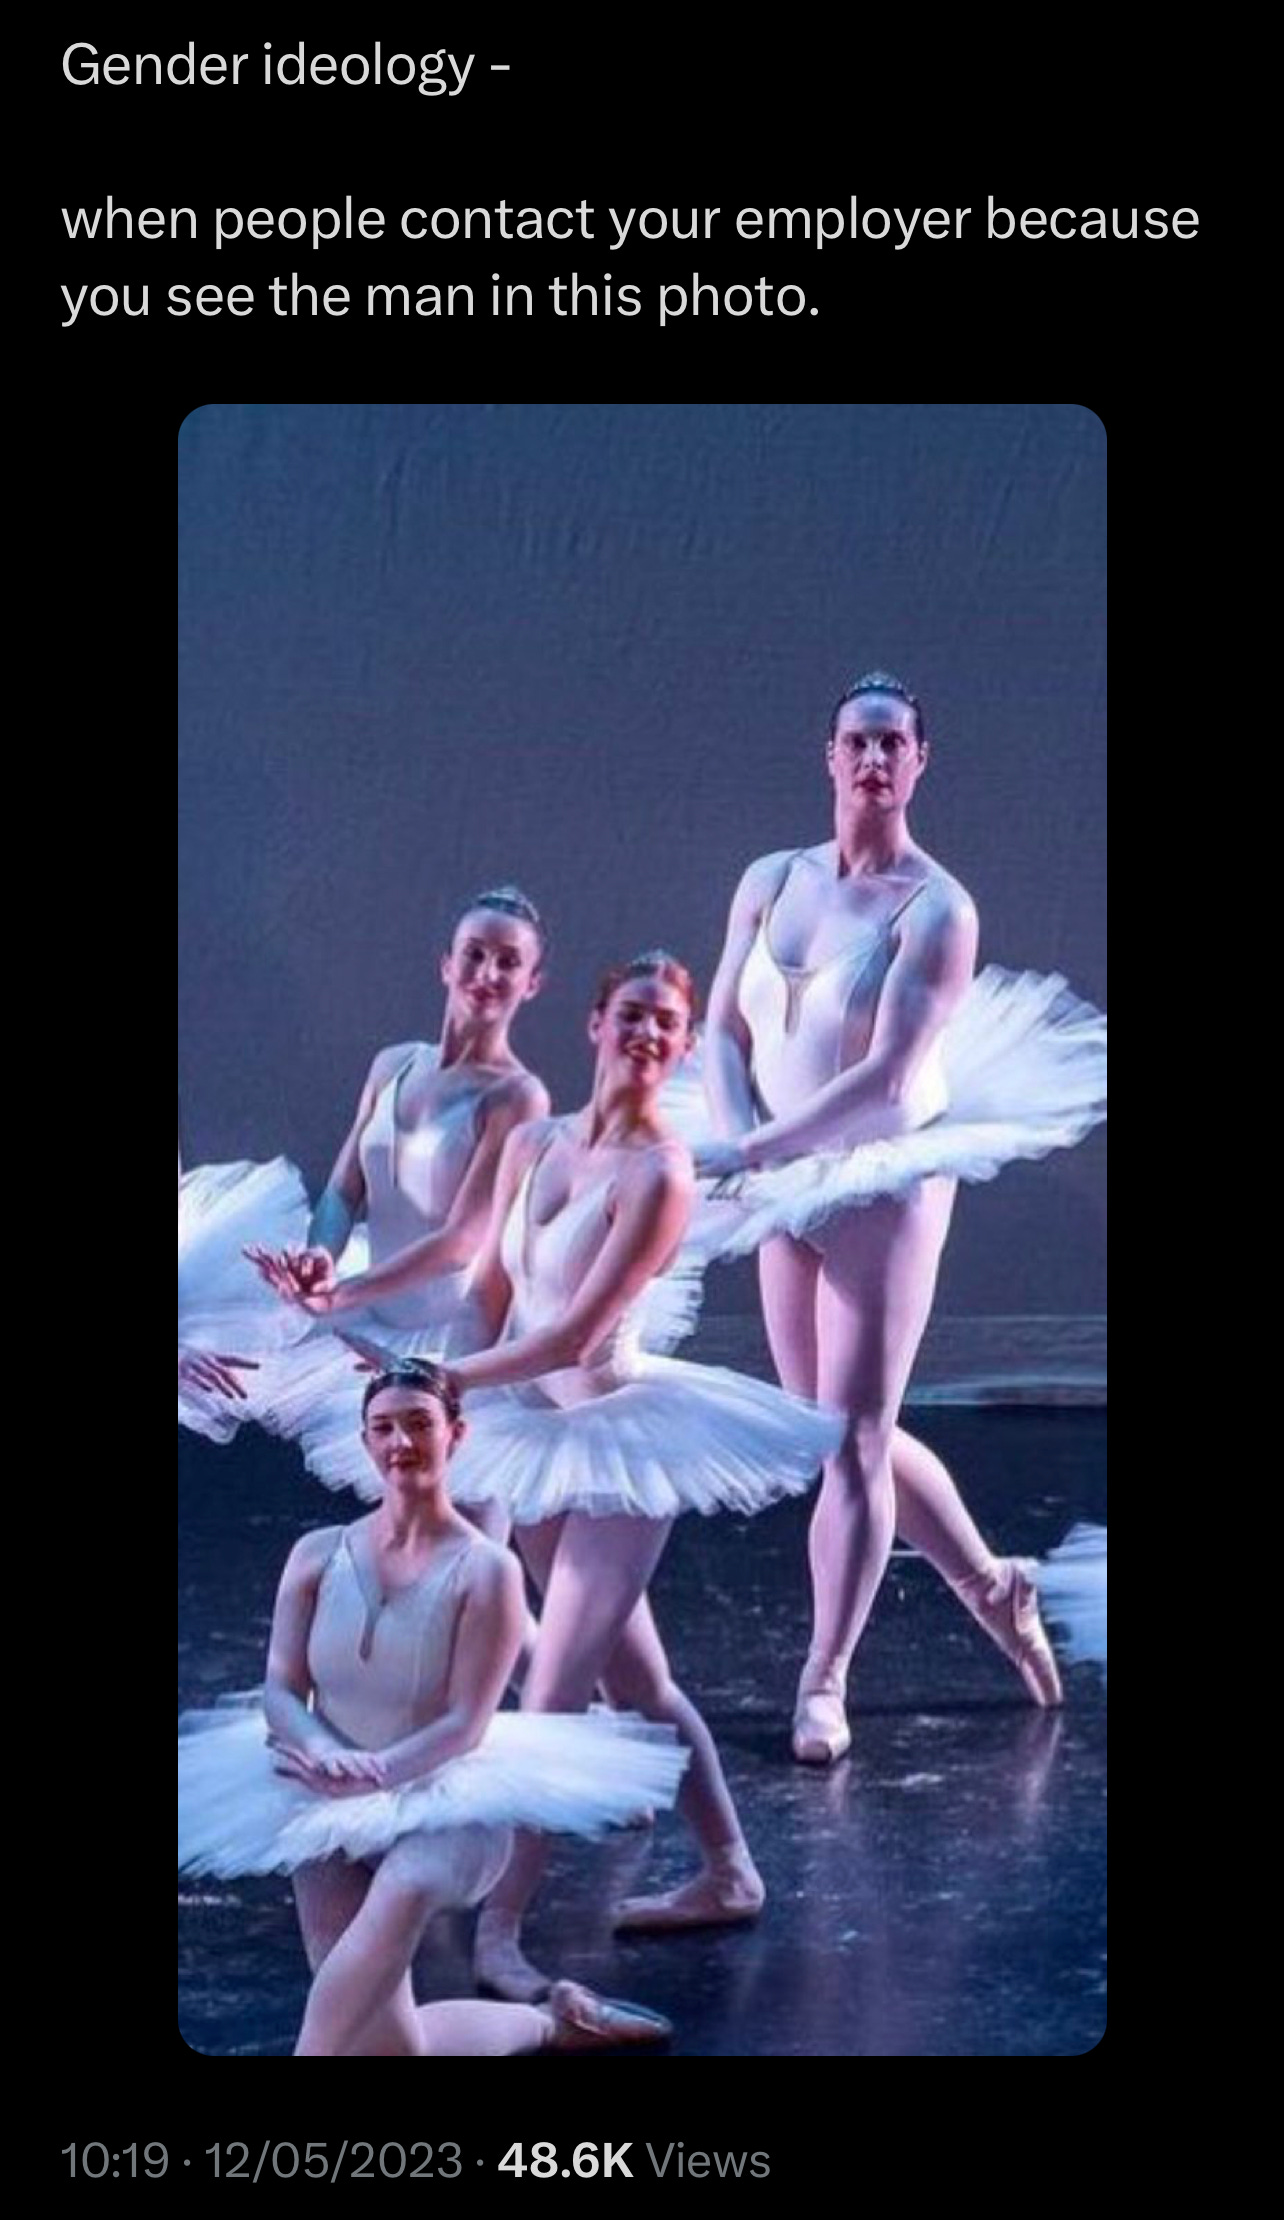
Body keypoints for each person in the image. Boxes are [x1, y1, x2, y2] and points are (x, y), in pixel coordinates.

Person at [385, 953, 843, 2002]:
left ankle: (503, 1930)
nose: (647, 1033)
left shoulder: (661, 1174)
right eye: (631, 1013)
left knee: (552, 1696)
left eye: (667, 1024)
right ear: (596, 1023)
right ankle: (731, 1870)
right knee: (639, 1684)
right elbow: (491, 1293)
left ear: (681, 1049)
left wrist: (447, 1381)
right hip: (538, 1431)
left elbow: (576, 1334)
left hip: (626, 1446)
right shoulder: (534, 1142)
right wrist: (438, 1385)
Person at [698, 672, 1105, 1763]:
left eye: (893, 744)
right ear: (828, 756)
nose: (873, 759)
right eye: (857, 742)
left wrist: (758, 1152)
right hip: (782, 1171)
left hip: (883, 1176)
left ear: (920, 761)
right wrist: (743, 1144)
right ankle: (992, 1585)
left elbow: (886, 1078)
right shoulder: (769, 879)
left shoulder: (938, 908)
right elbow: (723, 1029)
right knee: (824, 1429)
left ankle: (824, 1678)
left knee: (855, 1438)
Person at [178, 1359, 686, 2055]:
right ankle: (553, 2023)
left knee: (406, 1887)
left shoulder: (486, 1570)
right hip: (326, 1795)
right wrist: (325, 1754)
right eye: (384, 1428)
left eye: (419, 1424)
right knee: (387, 2045)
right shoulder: (315, 1555)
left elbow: (466, 1723)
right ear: (365, 1441)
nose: (402, 1443)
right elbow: (280, 1688)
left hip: (444, 1802)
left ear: (456, 1435)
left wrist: (376, 1772)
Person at [248, 887, 549, 1512]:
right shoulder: (393, 1065)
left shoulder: (518, 1097)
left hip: (456, 1330)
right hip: (371, 1307)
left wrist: (344, 1295)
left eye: (509, 961)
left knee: (465, 1523)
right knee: (398, 1523)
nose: (488, 973)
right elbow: (343, 1189)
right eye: (475, 954)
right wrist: (321, 1259)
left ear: (532, 983)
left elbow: (461, 1241)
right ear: (446, 965)